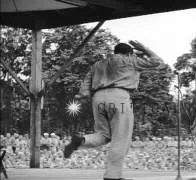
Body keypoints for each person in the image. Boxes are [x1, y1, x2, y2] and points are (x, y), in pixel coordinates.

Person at [63, 40, 164, 180]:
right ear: (129, 53)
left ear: (115, 51)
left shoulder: (98, 64)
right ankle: (113, 176)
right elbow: (158, 62)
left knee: (103, 135)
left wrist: (82, 95)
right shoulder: (131, 60)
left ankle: (81, 141)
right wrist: (145, 50)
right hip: (120, 97)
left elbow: (86, 85)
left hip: (98, 98)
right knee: (120, 138)